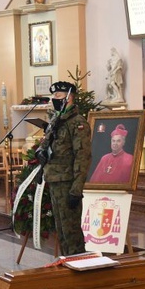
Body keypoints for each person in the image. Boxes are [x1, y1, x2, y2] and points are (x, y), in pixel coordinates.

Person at [36, 81, 92, 256]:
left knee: (71, 231)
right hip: (54, 180)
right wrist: (41, 152)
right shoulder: (57, 120)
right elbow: (46, 143)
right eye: (54, 96)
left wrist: (76, 190)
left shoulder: (77, 123)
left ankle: (79, 265)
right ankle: (68, 265)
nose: (55, 99)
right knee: (61, 230)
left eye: (58, 96)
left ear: (69, 98)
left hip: (68, 183)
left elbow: (83, 157)